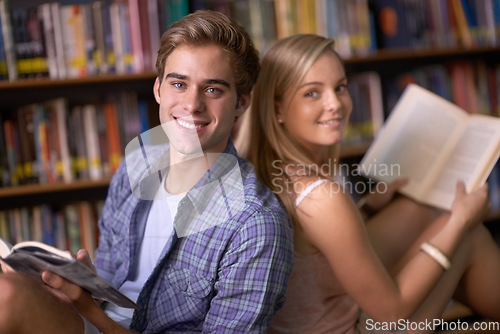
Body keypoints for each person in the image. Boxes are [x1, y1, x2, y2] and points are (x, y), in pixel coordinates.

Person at [0, 11, 294, 333]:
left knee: (8, 298)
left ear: (241, 102)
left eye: (213, 90)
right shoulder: (135, 166)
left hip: (95, 324)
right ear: (158, 90)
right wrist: (85, 288)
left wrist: (89, 311)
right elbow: (112, 283)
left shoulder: (256, 224)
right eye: (179, 84)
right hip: (88, 320)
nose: (192, 104)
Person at [236, 33, 500, 333]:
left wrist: (368, 208)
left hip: (316, 315)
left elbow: (314, 252)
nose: (335, 103)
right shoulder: (320, 197)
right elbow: (392, 312)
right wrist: (460, 222)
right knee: (466, 235)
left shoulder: (270, 172)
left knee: (418, 208)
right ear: (278, 108)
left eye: (340, 87)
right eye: (312, 93)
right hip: (355, 326)